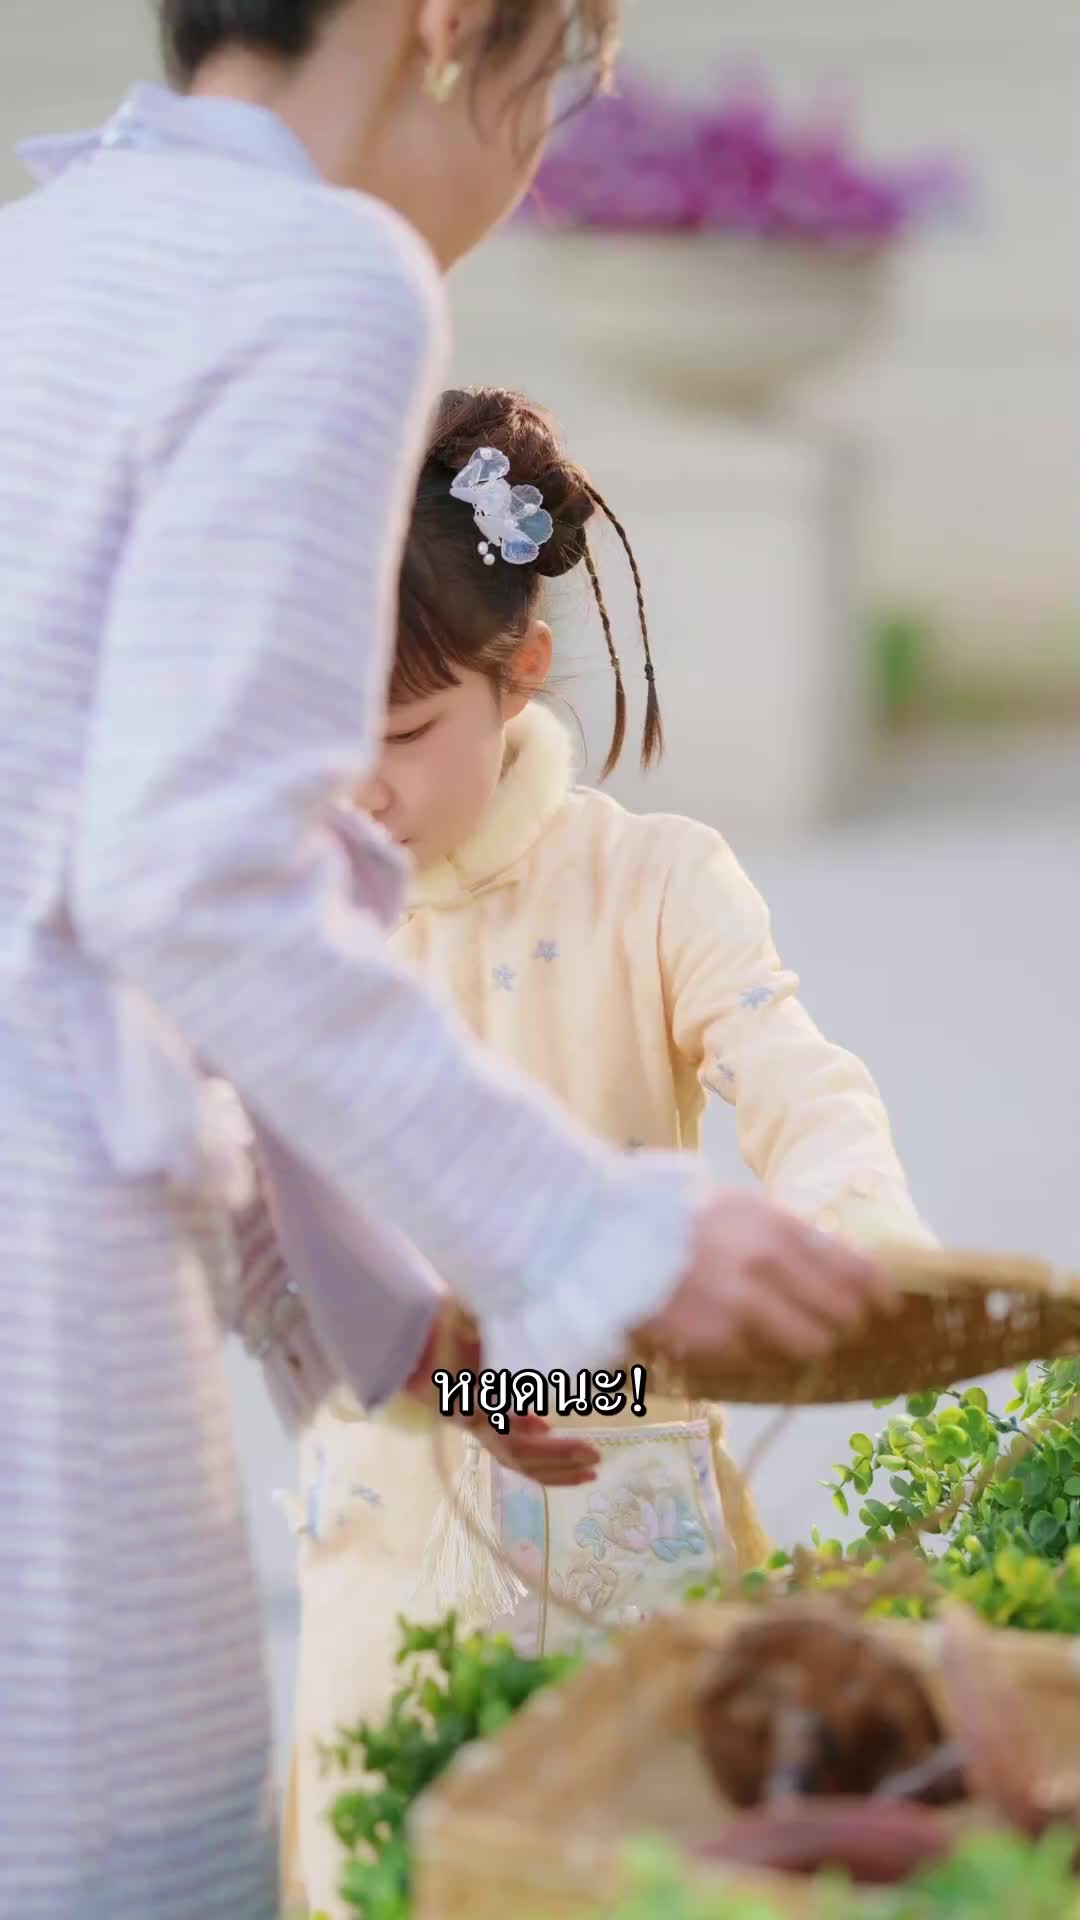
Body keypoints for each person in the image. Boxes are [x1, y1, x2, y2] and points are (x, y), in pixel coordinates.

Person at [0, 5, 894, 1915]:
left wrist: (405, 1332)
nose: (544, 141)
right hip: (53, 1286)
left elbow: (106, 873)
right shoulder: (326, 273)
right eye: (564, 70)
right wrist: (585, 1232)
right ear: (443, 19)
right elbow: (190, 881)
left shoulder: (46, 253)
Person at [283, 386, 936, 1916]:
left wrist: (858, 1242)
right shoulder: (293, 925)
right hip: (392, 1509)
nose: (360, 787)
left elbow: (799, 1083)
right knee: (396, 1859)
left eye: (403, 735)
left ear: (522, 667)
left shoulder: (656, 884)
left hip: (627, 1489)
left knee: (652, 1859)